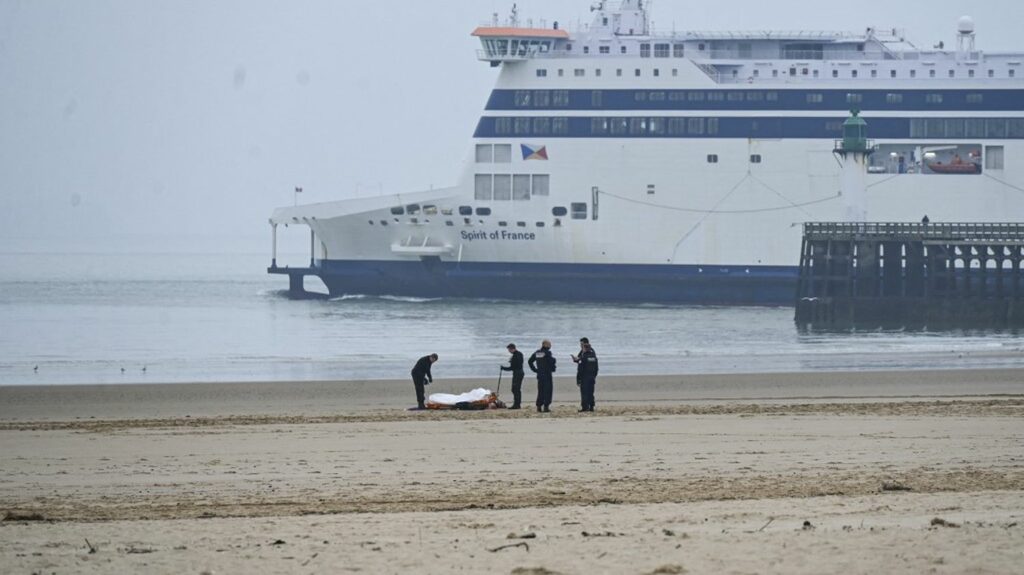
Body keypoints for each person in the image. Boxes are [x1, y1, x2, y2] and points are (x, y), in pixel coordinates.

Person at [528, 340, 556, 412]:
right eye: (549, 344)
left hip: (540, 374)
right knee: (548, 391)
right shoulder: (547, 353)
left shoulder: (537, 353)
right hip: (547, 374)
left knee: (540, 391)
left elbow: (530, 361)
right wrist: (554, 361)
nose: (550, 346)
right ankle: (546, 406)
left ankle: (539, 406)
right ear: (545, 345)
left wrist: (535, 370)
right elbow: (551, 361)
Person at [572, 338, 599, 412]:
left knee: (585, 392)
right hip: (591, 376)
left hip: (585, 376)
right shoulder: (592, 354)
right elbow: (596, 367)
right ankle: (591, 406)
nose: (580, 346)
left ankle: (585, 407)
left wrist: (578, 379)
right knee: (590, 392)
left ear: (584, 344)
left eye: (581, 344)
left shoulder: (585, 354)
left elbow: (581, 367)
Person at [501, 343, 525, 409]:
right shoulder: (519, 354)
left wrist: (504, 368)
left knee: (515, 389)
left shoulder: (515, 355)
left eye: (509, 349)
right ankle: (517, 404)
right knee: (516, 389)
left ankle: (517, 404)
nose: (509, 351)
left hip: (518, 373)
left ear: (512, 349)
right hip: (519, 372)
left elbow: (512, 367)